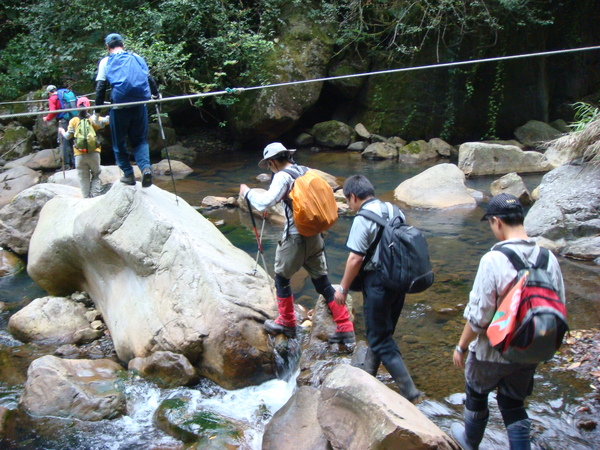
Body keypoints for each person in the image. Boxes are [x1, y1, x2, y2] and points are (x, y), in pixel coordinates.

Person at [451, 193, 565, 450]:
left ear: (496, 222)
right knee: (513, 403)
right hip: (531, 348)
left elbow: (479, 318)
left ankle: (470, 442)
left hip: (493, 351)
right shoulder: (549, 258)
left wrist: (460, 346)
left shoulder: (493, 260)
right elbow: (560, 306)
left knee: (476, 392)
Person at [239, 142, 355, 343]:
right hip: (315, 236)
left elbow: (263, 202)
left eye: (268, 165)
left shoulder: (283, 176)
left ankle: (287, 322)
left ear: (273, 162)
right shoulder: (305, 170)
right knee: (323, 283)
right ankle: (345, 327)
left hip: (295, 238)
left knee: (282, 278)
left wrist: (246, 192)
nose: (269, 168)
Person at [333, 174, 422, 402]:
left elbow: (355, 259)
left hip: (378, 284)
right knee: (382, 334)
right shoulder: (394, 210)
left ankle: (411, 393)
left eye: (348, 200)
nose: (349, 206)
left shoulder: (363, 218)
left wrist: (342, 289)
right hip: (399, 280)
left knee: (381, 339)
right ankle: (368, 377)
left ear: (353, 196)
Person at [95, 33, 159, 188]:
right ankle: (145, 168)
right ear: (123, 45)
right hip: (139, 105)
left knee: (119, 143)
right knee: (140, 140)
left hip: (119, 108)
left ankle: (129, 174)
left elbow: (100, 88)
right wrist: (156, 95)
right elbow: (149, 79)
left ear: (108, 47)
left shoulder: (105, 61)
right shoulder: (137, 57)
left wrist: (97, 112)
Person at [58, 97, 109, 198]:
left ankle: (86, 199)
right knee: (96, 175)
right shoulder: (93, 119)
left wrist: (62, 131)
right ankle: (95, 196)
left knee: (83, 177)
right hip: (94, 153)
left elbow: (68, 136)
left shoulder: (74, 121)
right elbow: (106, 121)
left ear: (77, 107)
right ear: (88, 106)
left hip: (79, 155)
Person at [43, 85, 75, 170]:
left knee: (63, 142)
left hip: (63, 121)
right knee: (72, 141)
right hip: (72, 119)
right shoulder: (64, 95)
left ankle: (66, 165)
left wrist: (47, 118)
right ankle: (74, 163)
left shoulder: (52, 98)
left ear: (49, 92)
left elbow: (53, 111)